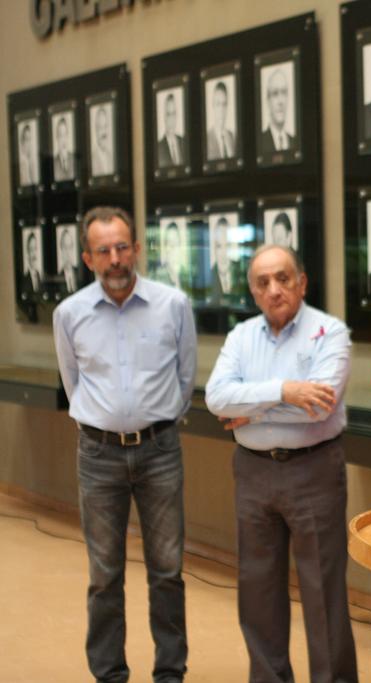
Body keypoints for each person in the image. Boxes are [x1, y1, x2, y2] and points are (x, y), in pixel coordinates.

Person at [53, 205, 197, 683]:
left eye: (122, 247)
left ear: (136, 249)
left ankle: (170, 672)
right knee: (104, 574)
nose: (115, 259)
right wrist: (104, 424)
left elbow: (185, 378)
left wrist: (154, 422)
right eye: (103, 251)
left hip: (160, 452)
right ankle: (109, 673)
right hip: (97, 456)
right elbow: (73, 384)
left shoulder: (173, 305)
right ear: (87, 258)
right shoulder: (69, 314)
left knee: (167, 570)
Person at [206, 245, 359, 683]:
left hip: (314, 470)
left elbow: (321, 406)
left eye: (283, 278)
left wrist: (251, 405)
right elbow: (217, 397)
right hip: (252, 471)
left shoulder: (330, 333)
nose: (274, 289)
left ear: (302, 282)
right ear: (253, 291)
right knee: (258, 588)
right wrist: (285, 391)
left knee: (322, 590)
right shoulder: (241, 337)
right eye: (263, 282)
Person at [209, 217, 245, 306]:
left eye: (227, 245)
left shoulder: (242, 272)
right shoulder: (208, 277)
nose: (223, 252)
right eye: (219, 246)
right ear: (214, 247)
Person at [259, 67, 294, 155]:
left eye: (284, 92)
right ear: (268, 101)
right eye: (275, 93)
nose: (280, 101)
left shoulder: (295, 141)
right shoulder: (260, 142)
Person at [206, 80, 236, 161]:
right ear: (213, 105)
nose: (221, 109)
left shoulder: (232, 137)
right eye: (218, 104)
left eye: (224, 104)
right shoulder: (206, 138)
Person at [154, 222, 188, 293]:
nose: (169, 249)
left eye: (174, 244)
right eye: (168, 244)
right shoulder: (158, 277)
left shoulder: (186, 276)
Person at [157, 92, 185, 168]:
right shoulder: (158, 148)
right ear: (164, 117)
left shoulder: (184, 142)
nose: (172, 118)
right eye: (169, 114)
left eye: (174, 113)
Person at [91, 105, 115, 177]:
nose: (103, 132)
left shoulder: (110, 157)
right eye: (100, 127)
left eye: (105, 126)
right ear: (96, 130)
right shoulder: (92, 158)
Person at [57, 226, 81, 296]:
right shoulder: (59, 275)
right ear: (61, 249)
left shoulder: (78, 272)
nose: (68, 252)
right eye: (65, 247)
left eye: (70, 247)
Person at [54, 115, 75, 181]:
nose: (63, 139)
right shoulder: (54, 163)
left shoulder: (73, 159)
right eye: (60, 135)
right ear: (57, 137)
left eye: (65, 134)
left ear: (68, 135)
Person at [22, 230, 42, 295]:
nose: (34, 254)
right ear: (27, 253)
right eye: (31, 249)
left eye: (35, 249)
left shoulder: (39, 275)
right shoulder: (25, 278)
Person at [19, 122, 39, 186]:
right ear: (22, 142)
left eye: (30, 139)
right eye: (27, 139)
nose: (29, 143)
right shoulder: (22, 162)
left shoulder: (31, 159)